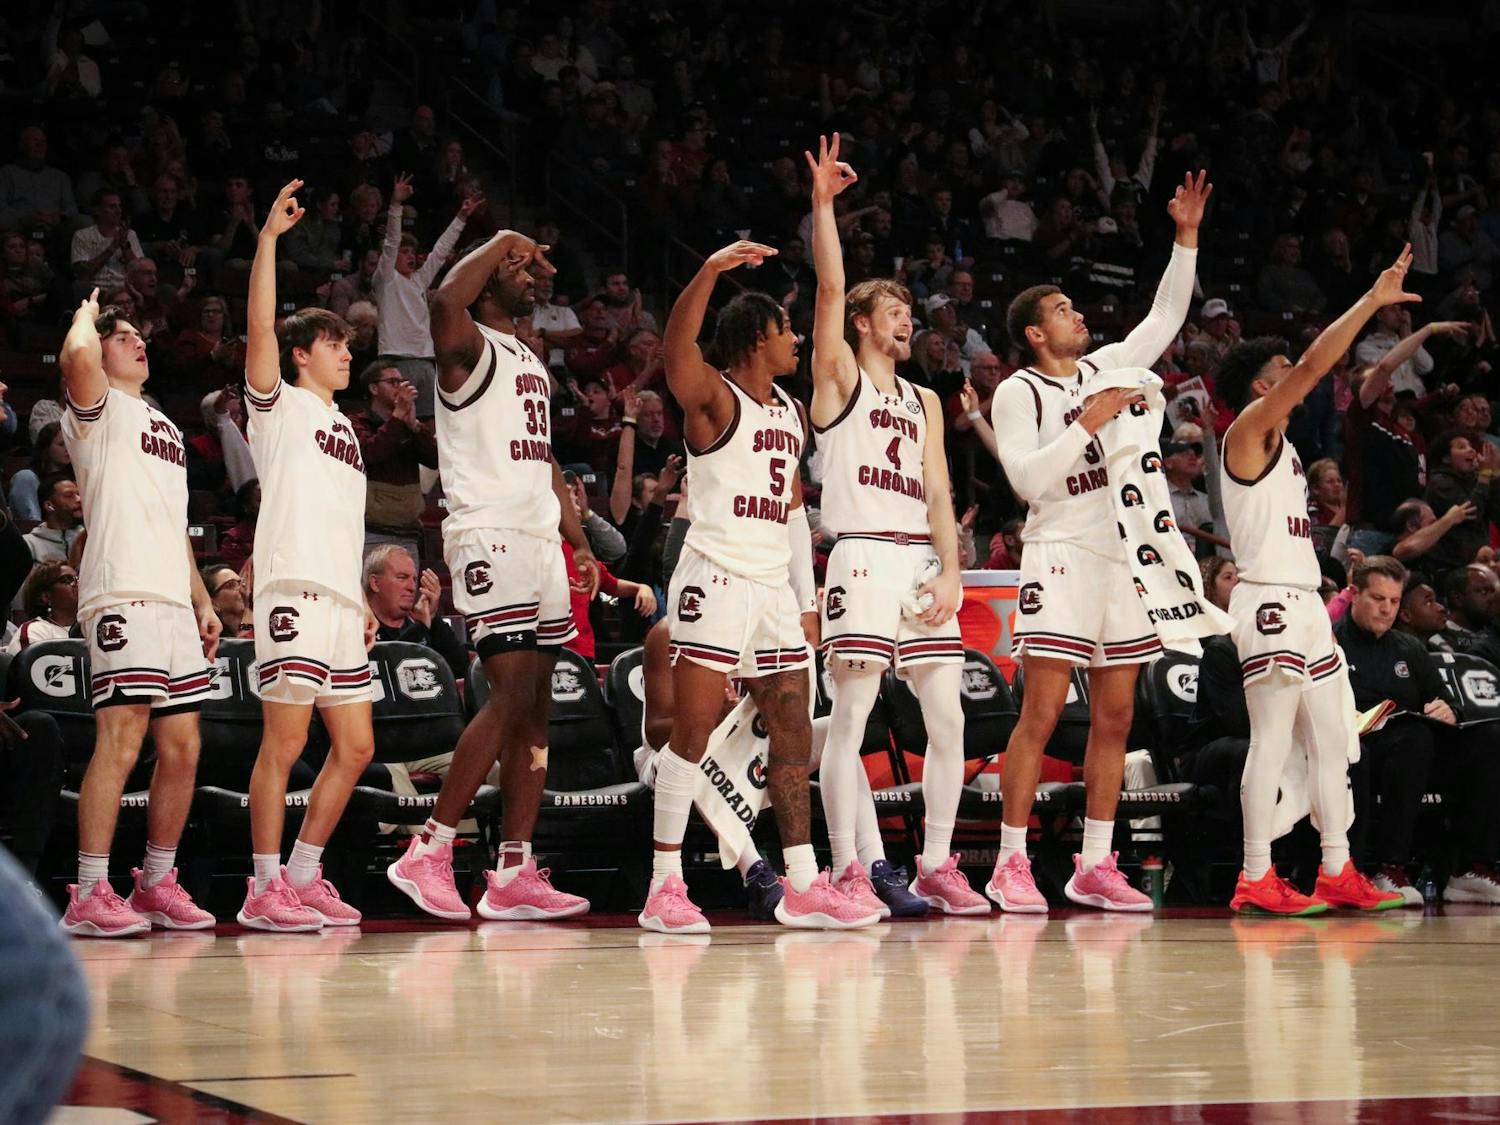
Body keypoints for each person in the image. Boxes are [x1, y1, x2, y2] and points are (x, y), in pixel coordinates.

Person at [984, 170, 1212, 913]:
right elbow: (1026, 480)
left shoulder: (1105, 367)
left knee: (1116, 716)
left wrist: (1185, 237)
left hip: (1121, 560)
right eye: (1061, 309)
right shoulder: (1021, 391)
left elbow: (1166, 316)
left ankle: (1094, 861)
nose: (1077, 315)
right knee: (1042, 712)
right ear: (1033, 333)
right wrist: (1088, 419)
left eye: (1075, 306)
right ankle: (1011, 863)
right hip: (1060, 556)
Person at [639, 237, 879, 933]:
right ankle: (663, 885)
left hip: (774, 584)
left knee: (791, 733)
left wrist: (806, 602)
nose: (796, 339)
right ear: (755, 337)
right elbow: (674, 351)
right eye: (785, 330)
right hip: (714, 575)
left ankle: (804, 881)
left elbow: (795, 511)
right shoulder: (713, 399)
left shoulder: (790, 412)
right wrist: (709, 270)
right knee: (691, 734)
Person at [385, 223, 599, 924]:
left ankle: (512, 870)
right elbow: (445, 296)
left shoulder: (528, 360)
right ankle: (431, 848)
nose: (531, 271)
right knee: (506, 696)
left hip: (538, 538)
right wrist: (503, 232)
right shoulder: (466, 347)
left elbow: (544, 463)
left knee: (537, 704)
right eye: (516, 264)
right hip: (490, 534)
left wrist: (581, 543)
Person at [805, 133, 985, 916]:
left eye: (912, 311)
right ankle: (849, 867)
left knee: (950, 719)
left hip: (917, 562)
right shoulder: (840, 376)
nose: (908, 321)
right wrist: (822, 207)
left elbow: (941, 493)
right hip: (862, 556)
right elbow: (828, 289)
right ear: (866, 324)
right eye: (896, 311)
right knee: (849, 719)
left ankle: (937, 861)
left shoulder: (927, 402)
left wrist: (952, 572)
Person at [1213, 247, 1420, 916]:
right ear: (1258, 388)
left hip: (1305, 603)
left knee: (1336, 738)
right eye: (1280, 375)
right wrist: (1369, 302)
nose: (1295, 382)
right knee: (1272, 738)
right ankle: (1255, 873)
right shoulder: (1246, 431)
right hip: (1269, 602)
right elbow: (1313, 365)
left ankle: (1337, 868)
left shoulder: (1289, 449)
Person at [56, 291, 220, 937]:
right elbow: (74, 352)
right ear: (101, 349)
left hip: (173, 601)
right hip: (120, 591)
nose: (139, 341)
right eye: (123, 336)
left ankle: (155, 882)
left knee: (183, 746)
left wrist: (202, 599)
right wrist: (84, 313)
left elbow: (175, 524)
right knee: (121, 740)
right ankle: (91, 890)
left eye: (139, 335)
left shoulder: (164, 425)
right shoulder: (95, 412)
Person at [239, 180, 374, 932]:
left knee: (355, 746)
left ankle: (301, 872)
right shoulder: (279, 404)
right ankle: (263, 888)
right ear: (301, 355)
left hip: (338, 599)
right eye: (336, 343)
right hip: (292, 588)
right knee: (286, 741)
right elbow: (259, 326)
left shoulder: (345, 427)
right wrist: (267, 241)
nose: (348, 351)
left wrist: (358, 602)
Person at [1339, 557, 1500, 906]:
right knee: (1414, 738)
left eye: (1394, 601)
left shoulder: (1408, 647)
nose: (1386, 609)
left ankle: (1469, 869)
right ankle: (1389, 868)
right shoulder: (1331, 642)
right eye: (1377, 599)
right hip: (1357, 747)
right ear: (1354, 594)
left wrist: (1449, 709)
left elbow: (1442, 697)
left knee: (1489, 738)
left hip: (1414, 747)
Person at [373, 175, 482, 418]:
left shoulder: (419, 280)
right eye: (404, 252)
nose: (410, 256)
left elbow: (440, 252)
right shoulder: (386, 280)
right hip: (395, 361)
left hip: (426, 362)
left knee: (430, 425)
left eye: (412, 252)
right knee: (399, 423)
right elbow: (391, 242)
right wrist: (396, 205)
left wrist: (461, 218)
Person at [349, 360, 439, 560]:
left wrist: (415, 425)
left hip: (408, 532)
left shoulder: (407, 424)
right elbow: (371, 453)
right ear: (373, 388)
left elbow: (434, 460)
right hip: (371, 530)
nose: (401, 387)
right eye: (393, 382)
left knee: (404, 590)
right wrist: (397, 418)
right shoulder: (357, 422)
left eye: (403, 381)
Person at [363, 544, 470, 678]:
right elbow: (387, 676)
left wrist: (432, 618)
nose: (412, 587)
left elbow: (462, 669)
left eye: (414, 579)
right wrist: (419, 629)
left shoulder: (423, 621)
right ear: (375, 583)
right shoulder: (361, 628)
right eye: (402, 577)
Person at [6, 561, 78, 653]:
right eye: (67, 580)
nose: (77, 584)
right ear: (45, 596)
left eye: (77, 578)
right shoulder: (35, 631)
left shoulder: (94, 626)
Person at [22, 475, 83, 563]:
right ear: (49, 506)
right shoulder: (29, 544)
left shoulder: (90, 538)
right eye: (69, 495)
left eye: (78, 494)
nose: (79, 499)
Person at [200, 564, 249, 640]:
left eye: (242, 583)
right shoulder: (212, 640)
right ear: (212, 603)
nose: (242, 589)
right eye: (231, 584)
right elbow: (244, 647)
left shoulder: (262, 626)